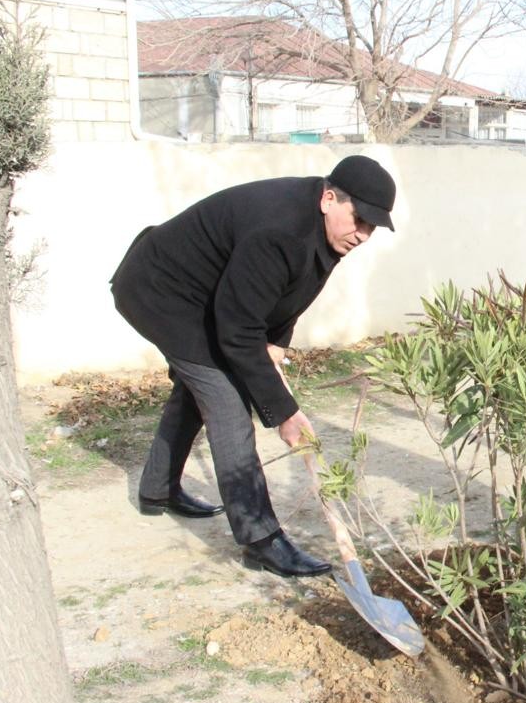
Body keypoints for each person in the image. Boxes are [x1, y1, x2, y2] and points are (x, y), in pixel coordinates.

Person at [111, 155, 396, 577]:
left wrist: (277, 342)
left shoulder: (326, 228)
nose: (363, 234)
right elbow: (238, 331)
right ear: (328, 198)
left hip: (205, 296)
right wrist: (283, 412)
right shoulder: (279, 229)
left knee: (200, 388)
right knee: (226, 398)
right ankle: (261, 540)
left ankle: (157, 490)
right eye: (359, 220)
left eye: (372, 226)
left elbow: (291, 287)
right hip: (161, 291)